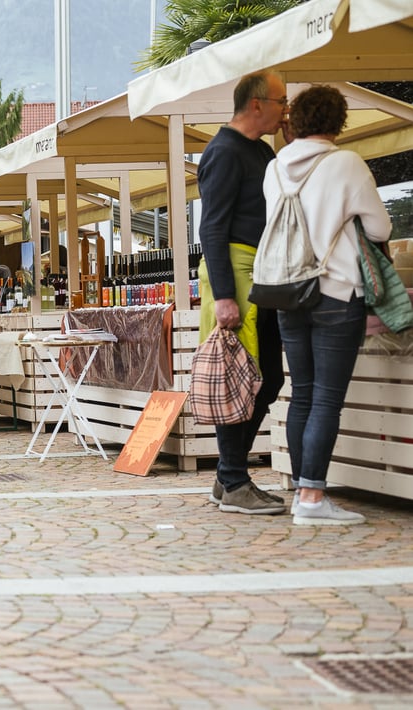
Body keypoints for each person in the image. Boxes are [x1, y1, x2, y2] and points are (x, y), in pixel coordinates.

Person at [267, 86, 392, 525]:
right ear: (338, 121)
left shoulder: (275, 168)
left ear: (295, 119)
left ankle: (305, 490)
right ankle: (312, 500)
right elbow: (380, 225)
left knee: (302, 393)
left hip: (287, 293)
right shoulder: (346, 163)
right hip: (337, 292)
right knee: (326, 400)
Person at [197, 71, 291, 515]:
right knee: (240, 377)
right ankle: (234, 481)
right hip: (235, 272)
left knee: (267, 378)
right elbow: (211, 225)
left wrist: (289, 147)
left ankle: (227, 476)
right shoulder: (222, 151)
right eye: (281, 101)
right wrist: (223, 295)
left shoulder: (261, 150)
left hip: (261, 270)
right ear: (256, 104)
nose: (285, 108)